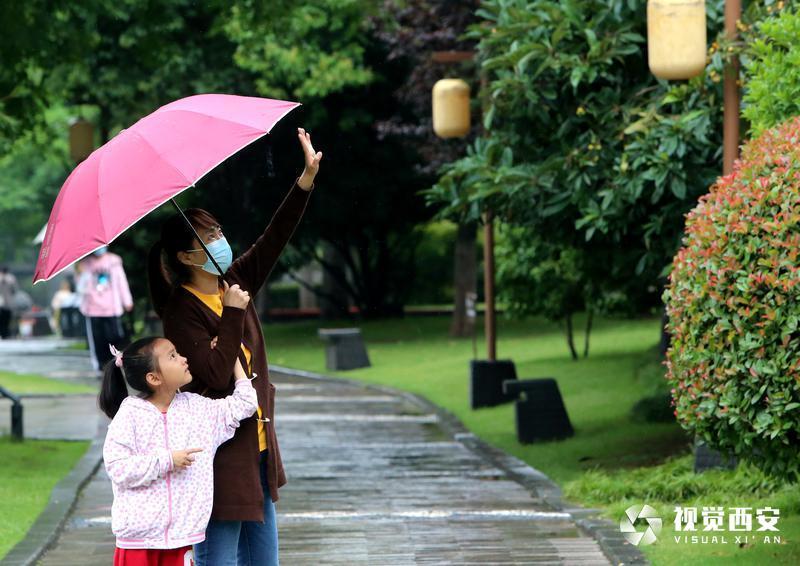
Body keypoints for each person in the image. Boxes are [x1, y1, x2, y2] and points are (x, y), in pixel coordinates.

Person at [147, 128, 321, 566]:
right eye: (208, 237)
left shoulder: (232, 282)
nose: (220, 241)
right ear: (187, 258)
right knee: (218, 560)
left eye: (219, 231)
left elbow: (273, 238)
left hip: (257, 448)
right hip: (218, 458)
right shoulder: (180, 312)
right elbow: (214, 373)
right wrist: (232, 313)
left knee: (265, 562)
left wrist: (306, 178)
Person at [100, 336, 258, 565]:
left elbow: (245, 403)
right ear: (153, 378)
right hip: (137, 543)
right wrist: (167, 461)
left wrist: (232, 355)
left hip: (182, 539)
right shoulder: (129, 415)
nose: (184, 359)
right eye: (172, 356)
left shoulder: (198, 409)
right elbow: (118, 468)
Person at [77, 246, 134, 371]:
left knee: (114, 337)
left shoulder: (114, 261)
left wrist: (127, 300)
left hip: (112, 308)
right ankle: (100, 367)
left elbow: (121, 282)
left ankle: (115, 365)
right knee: (97, 341)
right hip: (92, 309)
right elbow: (80, 287)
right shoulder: (85, 263)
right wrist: (82, 273)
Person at [0, 266, 18, 339]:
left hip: (3, 303)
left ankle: (3, 333)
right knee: (6, 320)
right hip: (8, 303)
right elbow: (14, 290)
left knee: (3, 321)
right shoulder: (11, 279)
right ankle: (5, 334)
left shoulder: (10, 279)